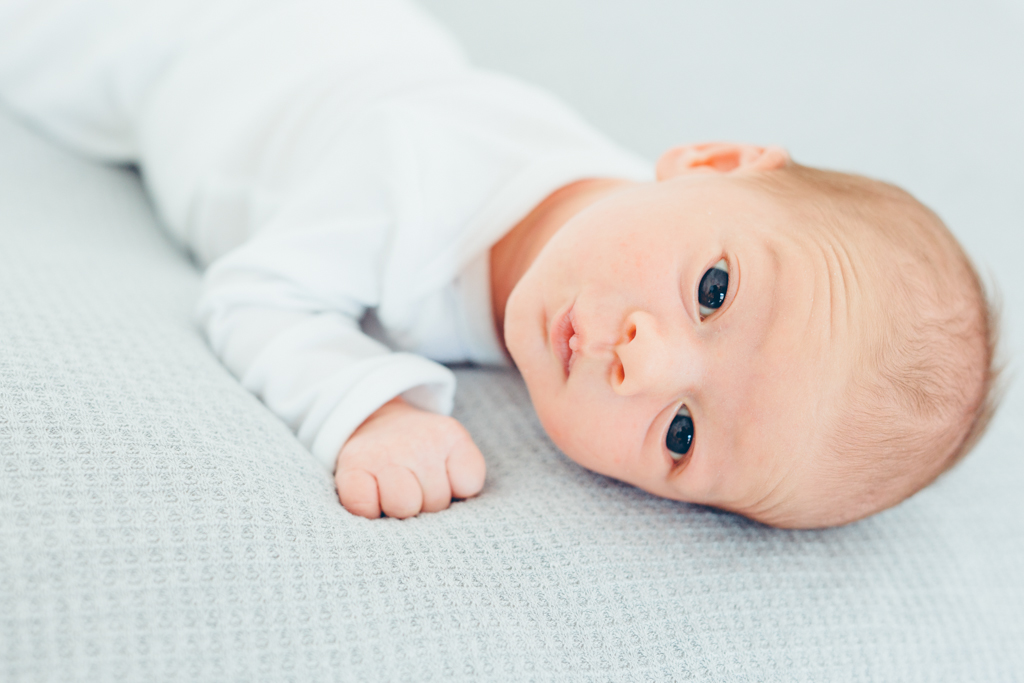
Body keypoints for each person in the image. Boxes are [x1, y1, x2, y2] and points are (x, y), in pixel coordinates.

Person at [0, 0, 1000, 528]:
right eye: (713, 292)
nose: (640, 364)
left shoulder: (647, 221)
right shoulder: (415, 179)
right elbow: (257, 291)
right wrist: (369, 405)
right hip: (176, 44)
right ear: (707, 160)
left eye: (683, 433)